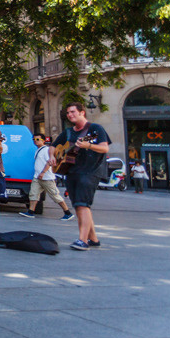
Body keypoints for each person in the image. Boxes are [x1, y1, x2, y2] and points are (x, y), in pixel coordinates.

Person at [52, 101, 110, 251]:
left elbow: (104, 148)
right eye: (68, 113)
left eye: (73, 112)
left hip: (90, 171)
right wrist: (52, 156)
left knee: (82, 204)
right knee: (78, 204)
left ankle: (82, 240)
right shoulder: (69, 132)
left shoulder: (95, 129)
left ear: (82, 112)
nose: (70, 115)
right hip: (71, 171)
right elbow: (54, 145)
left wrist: (88, 145)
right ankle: (93, 239)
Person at [19, 134, 73, 220]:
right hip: (37, 177)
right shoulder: (38, 150)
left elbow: (50, 162)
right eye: (34, 139)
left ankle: (68, 213)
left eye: (37, 139)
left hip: (46, 177)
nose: (35, 141)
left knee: (55, 195)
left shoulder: (47, 150)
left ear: (43, 140)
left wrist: (43, 172)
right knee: (33, 194)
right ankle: (31, 211)